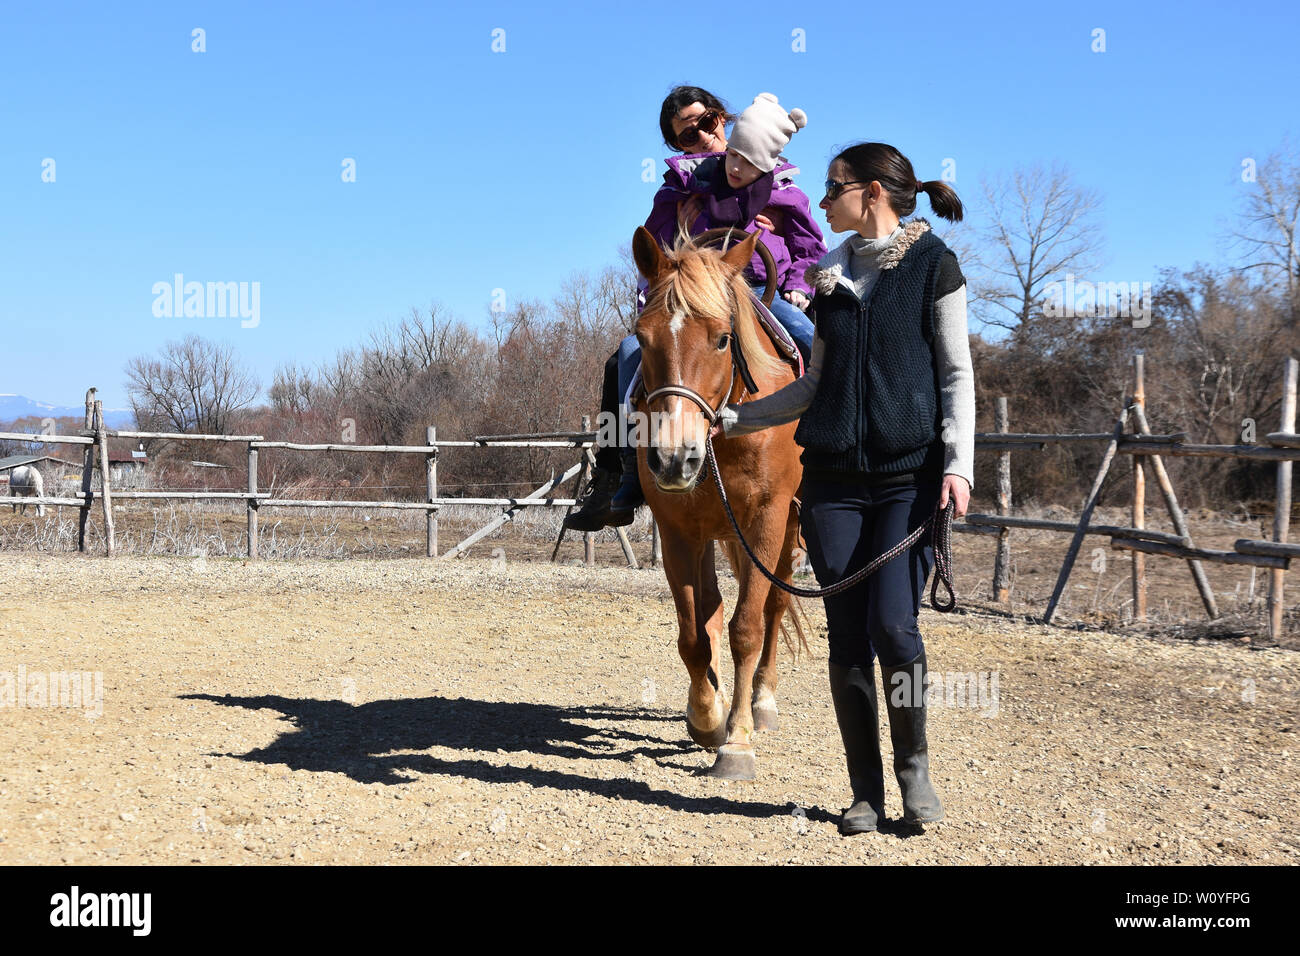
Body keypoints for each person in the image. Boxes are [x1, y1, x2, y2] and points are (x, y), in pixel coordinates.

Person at [711, 142, 976, 835]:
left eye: (833, 190)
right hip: (832, 483)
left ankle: (914, 772)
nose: (822, 203)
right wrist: (738, 416)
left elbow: (956, 374)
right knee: (847, 636)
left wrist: (958, 465)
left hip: (906, 480)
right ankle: (865, 792)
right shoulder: (828, 276)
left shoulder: (934, 267)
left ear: (873, 193)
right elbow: (814, 384)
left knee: (895, 625)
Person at [564, 88, 825, 532]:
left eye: (705, 124)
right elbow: (655, 248)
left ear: (722, 118)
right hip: (698, 294)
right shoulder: (682, 185)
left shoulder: (778, 182)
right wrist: (682, 227)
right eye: (686, 138)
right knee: (626, 357)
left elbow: (811, 247)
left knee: (808, 337)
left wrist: (799, 282)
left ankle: (825, 461)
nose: (700, 138)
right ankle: (619, 471)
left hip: (761, 288)